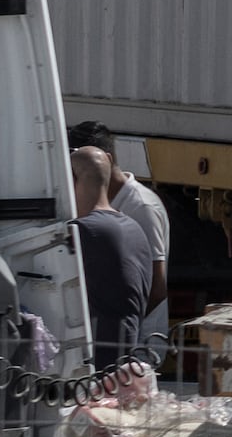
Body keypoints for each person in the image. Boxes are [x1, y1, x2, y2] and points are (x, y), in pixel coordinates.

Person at [73, 145, 165, 365]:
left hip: (92, 366)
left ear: (74, 181)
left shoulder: (82, 231)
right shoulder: (133, 228)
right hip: (123, 360)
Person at [69, 120, 173, 263]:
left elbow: (157, 281)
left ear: (106, 160)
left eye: (81, 169)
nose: (73, 178)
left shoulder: (140, 207)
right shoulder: (94, 200)